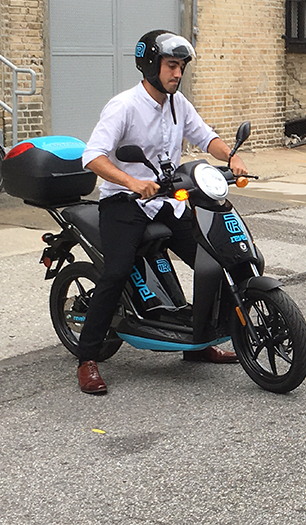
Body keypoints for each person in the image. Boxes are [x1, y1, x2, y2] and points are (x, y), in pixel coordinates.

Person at [76, 30, 248, 395]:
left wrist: (230, 156)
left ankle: (198, 344)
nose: (178, 73)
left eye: (182, 66)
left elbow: (206, 137)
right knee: (117, 271)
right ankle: (87, 358)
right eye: (172, 65)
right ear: (151, 65)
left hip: (168, 200)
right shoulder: (124, 106)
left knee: (212, 258)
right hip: (124, 203)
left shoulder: (178, 104)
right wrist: (131, 182)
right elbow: (92, 156)